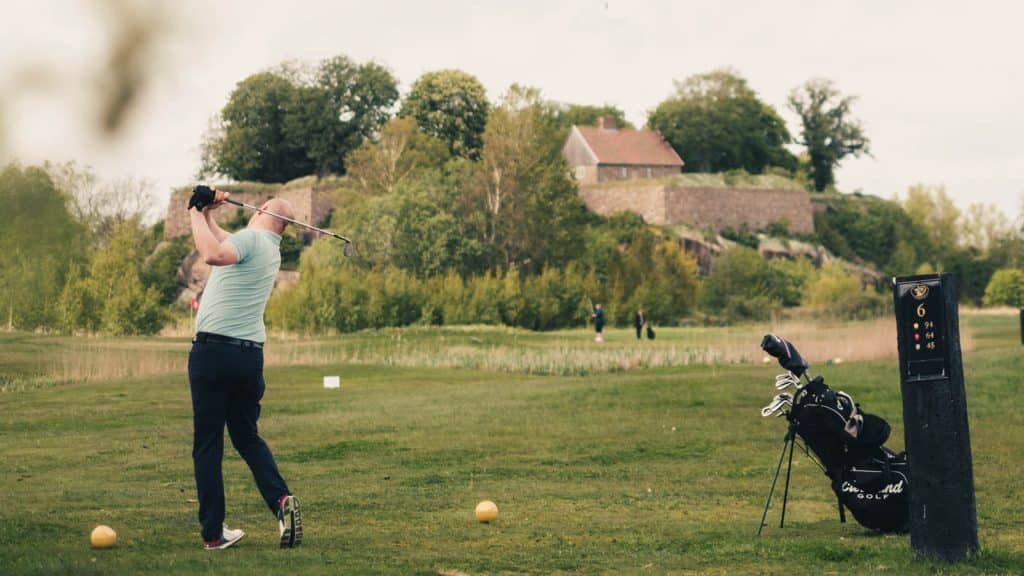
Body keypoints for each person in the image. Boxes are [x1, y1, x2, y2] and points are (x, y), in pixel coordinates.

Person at [187, 185, 302, 550]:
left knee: (208, 443)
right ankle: (281, 500)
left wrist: (193, 210)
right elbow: (223, 239)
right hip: (248, 356)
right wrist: (208, 212)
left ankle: (213, 533)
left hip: (214, 351)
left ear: (263, 211)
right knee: (247, 437)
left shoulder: (252, 239)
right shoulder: (267, 248)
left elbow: (212, 252)